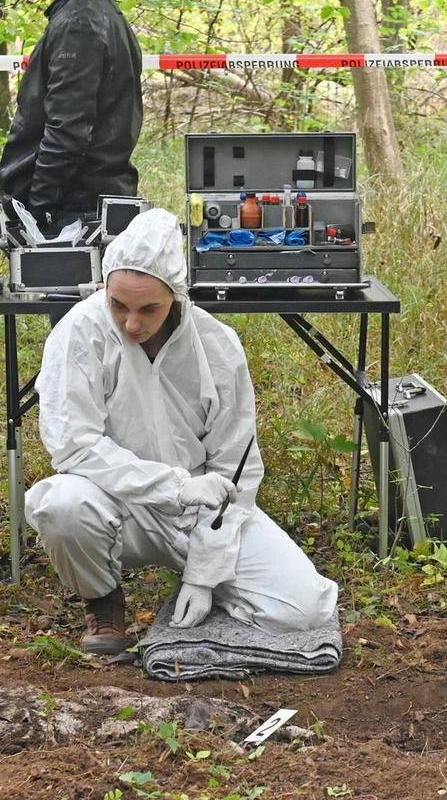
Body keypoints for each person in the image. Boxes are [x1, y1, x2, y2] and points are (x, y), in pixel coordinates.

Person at [26, 209, 339, 655]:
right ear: (103, 286)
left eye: (148, 309)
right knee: (61, 505)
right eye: (118, 305)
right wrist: (173, 487)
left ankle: (200, 590)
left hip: (202, 511)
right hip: (114, 502)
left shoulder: (217, 345)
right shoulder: (79, 331)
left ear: (176, 296)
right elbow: (74, 446)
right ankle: (103, 599)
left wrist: (204, 572)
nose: (131, 324)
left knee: (304, 609)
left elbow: (236, 468)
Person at [0, 0, 144, 238]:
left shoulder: (78, 24)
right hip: (87, 209)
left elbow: (67, 130)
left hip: (73, 216)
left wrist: (38, 213)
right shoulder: (100, 13)